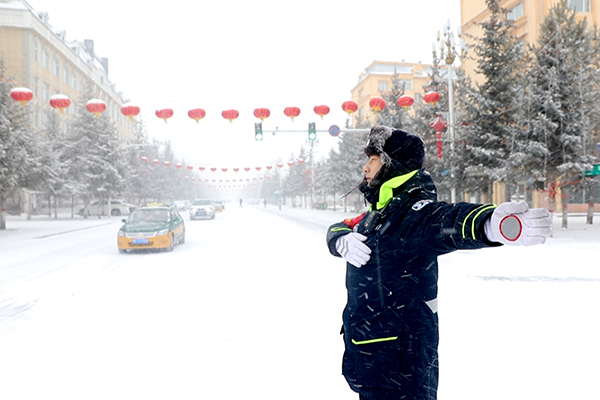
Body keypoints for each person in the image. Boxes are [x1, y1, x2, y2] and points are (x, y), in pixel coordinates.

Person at [326, 126, 552, 400]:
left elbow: (448, 220)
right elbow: (341, 226)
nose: (365, 168)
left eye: (373, 159)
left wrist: (492, 225)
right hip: (371, 362)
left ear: (390, 165)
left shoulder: (411, 216)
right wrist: (340, 241)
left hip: (400, 370)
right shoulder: (378, 215)